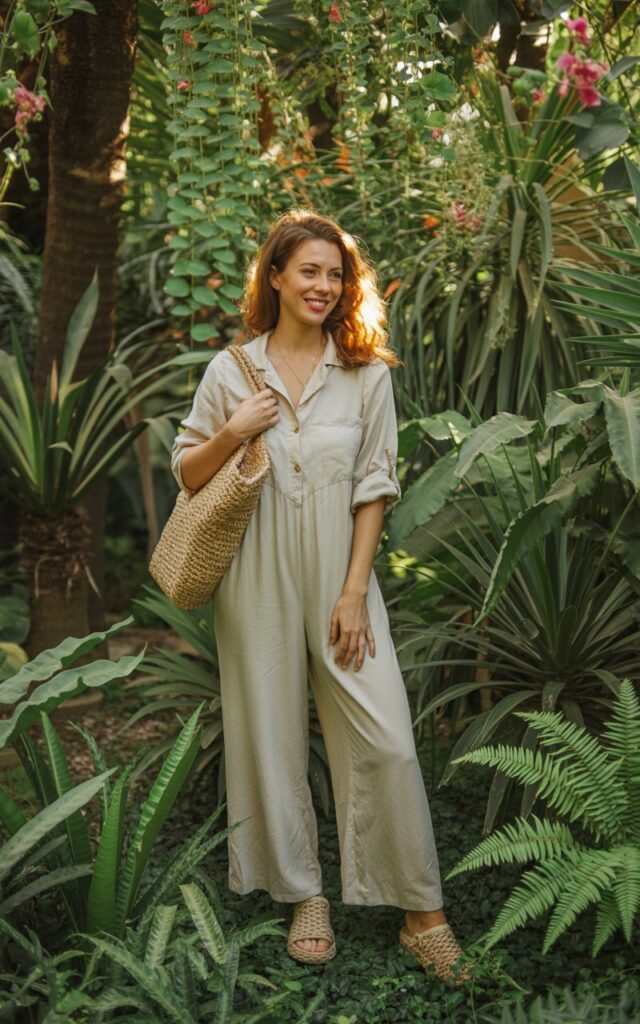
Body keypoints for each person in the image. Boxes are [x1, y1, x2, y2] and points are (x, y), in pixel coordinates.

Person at [170, 209, 469, 984]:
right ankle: (304, 893)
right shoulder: (230, 371)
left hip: (341, 577)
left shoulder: (365, 373)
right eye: (309, 271)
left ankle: (421, 910)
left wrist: (354, 591)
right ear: (274, 275)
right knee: (268, 734)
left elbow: (376, 488)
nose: (324, 287)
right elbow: (189, 475)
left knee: (386, 736)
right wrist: (234, 429)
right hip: (255, 579)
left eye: (336, 275)